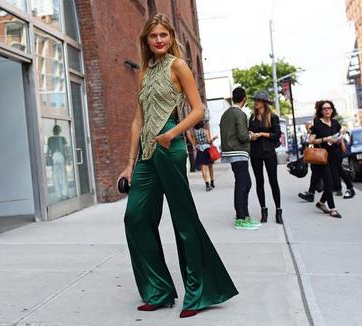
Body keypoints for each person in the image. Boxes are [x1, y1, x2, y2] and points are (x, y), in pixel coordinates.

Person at [117, 13, 238, 319]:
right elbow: (137, 120)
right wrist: (129, 164)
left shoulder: (178, 65)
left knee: (183, 222)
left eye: (164, 35)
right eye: (153, 36)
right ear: (146, 40)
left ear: (171, 38)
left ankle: (199, 292)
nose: (159, 40)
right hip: (146, 154)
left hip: (171, 148)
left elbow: (198, 110)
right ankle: (158, 289)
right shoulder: (145, 73)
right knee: (135, 218)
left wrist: (172, 133)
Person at [220, 87, 261, 230]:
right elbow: (243, 136)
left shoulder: (226, 114)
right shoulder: (241, 114)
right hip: (239, 152)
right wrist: (252, 136)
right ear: (245, 99)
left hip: (230, 152)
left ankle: (244, 214)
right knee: (243, 184)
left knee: (244, 183)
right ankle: (241, 218)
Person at [248, 91, 283, 224]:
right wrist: (251, 134)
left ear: (264, 102)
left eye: (259, 100)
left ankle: (278, 211)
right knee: (259, 182)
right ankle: (264, 210)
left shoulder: (272, 117)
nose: (256, 102)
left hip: (269, 153)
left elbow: (277, 134)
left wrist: (262, 134)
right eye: (255, 100)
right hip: (255, 153)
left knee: (273, 181)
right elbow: (249, 132)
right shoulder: (252, 117)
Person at [307, 100, 342, 218]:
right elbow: (310, 140)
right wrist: (325, 139)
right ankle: (333, 209)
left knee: (334, 184)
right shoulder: (317, 123)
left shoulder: (336, 123)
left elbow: (338, 136)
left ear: (332, 110)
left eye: (329, 108)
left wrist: (338, 140)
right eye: (324, 109)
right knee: (328, 182)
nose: (327, 110)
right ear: (321, 111)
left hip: (334, 156)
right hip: (322, 157)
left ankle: (321, 203)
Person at [47, 124, 68, 201]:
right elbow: (65, 150)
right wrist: (67, 159)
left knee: (55, 177)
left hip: (54, 156)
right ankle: (64, 194)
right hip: (60, 156)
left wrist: (48, 159)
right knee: (63, 175)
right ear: (59, 131)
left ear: (53, 131)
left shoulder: (50, 139)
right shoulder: (62, 138)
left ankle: (58, 195)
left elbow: (48, 150)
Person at [191, 121, 214, 191]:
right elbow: (209, 141)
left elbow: (195, 143)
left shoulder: (195, 133)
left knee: (203, 168)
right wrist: (214, 139)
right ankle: (212, 182)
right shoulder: (206, 131)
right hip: (207, 150)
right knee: (210, 166)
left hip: (200, 151)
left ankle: (207, 183)